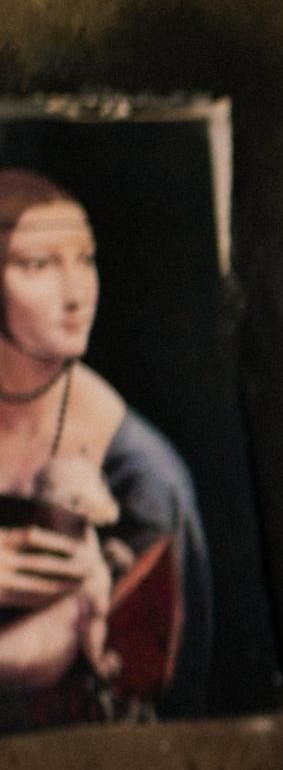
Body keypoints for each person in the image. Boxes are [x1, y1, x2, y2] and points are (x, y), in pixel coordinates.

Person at [0, 169, 213, 731]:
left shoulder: (143, 479)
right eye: (39, 265)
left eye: (86, 261)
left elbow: (153, 690)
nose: (76, 295)